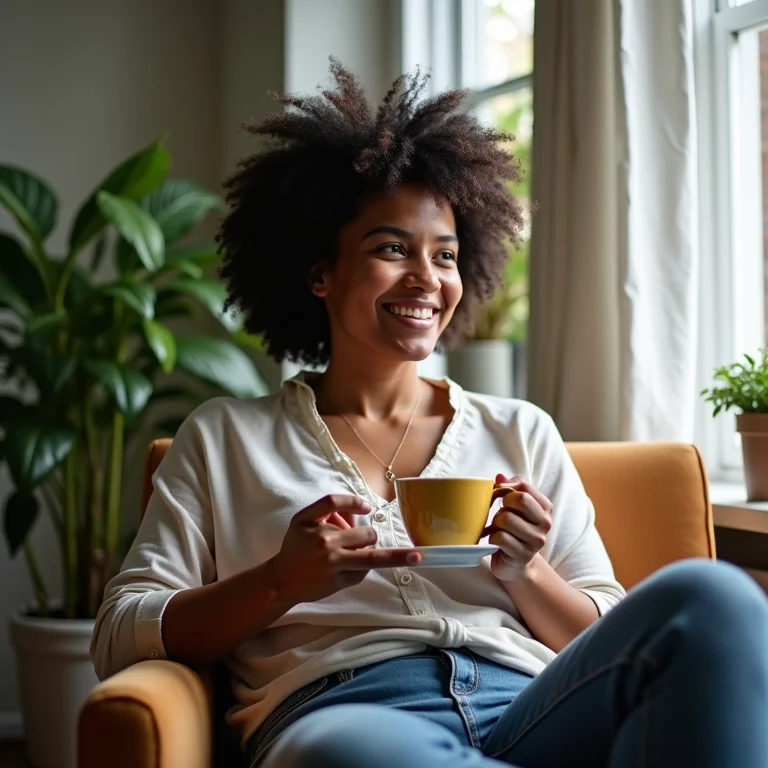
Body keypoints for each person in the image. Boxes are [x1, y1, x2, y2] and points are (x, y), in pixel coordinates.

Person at [90, 60, 768, 768]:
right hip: (348, 715)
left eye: (445, 255)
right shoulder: (226, 438)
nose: (426, 279)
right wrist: (278, 582)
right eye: (392, 248)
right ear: (319, 273)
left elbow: (600, 631)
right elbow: (120, 633)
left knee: (713, 596)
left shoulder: (520, 430)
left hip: (531, 710)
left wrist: (526, 571)